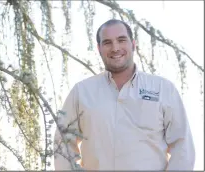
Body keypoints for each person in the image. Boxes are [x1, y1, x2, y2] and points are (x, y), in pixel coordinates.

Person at [53, 19, 195, 170]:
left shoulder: (163, 89)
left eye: (121, 40)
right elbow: (63, 142)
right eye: (107, 42)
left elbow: (182, 146)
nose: (115, 48)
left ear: (133, 44)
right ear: (99, 48)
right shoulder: (81, 92)